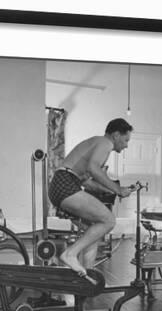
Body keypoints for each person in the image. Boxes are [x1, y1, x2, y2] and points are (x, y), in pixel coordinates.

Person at [48, 118, 134, 276]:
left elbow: (86, 181)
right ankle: (69, 254)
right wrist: (118, 189)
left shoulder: (97, 143)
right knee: (108, 220)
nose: (126, 145)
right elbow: (94, 169)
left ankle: (87, 274)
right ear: (116, 135)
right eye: (126, 139)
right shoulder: (105, 143)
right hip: (65, 183)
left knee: (93, 232)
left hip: (61, 185)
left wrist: (111, 190)